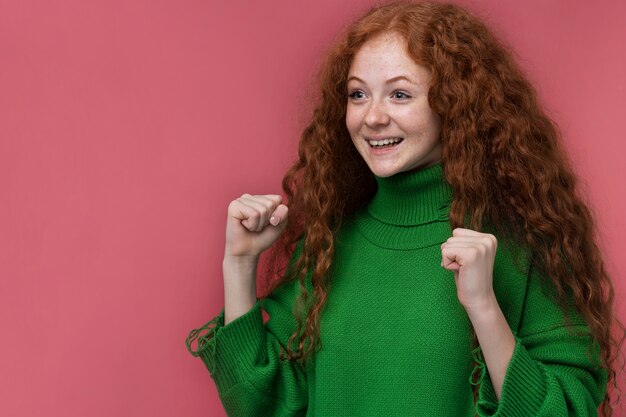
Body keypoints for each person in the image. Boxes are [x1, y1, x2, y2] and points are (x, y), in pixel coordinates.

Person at [185, 1, 624, 416]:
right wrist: (239, 264)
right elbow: (262, 404)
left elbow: (568, 409)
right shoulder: (328, 244)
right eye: (358, 95)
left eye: (399, 95)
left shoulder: (525, 244)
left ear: (454, 103)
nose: (372, 116)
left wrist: (484, 307)